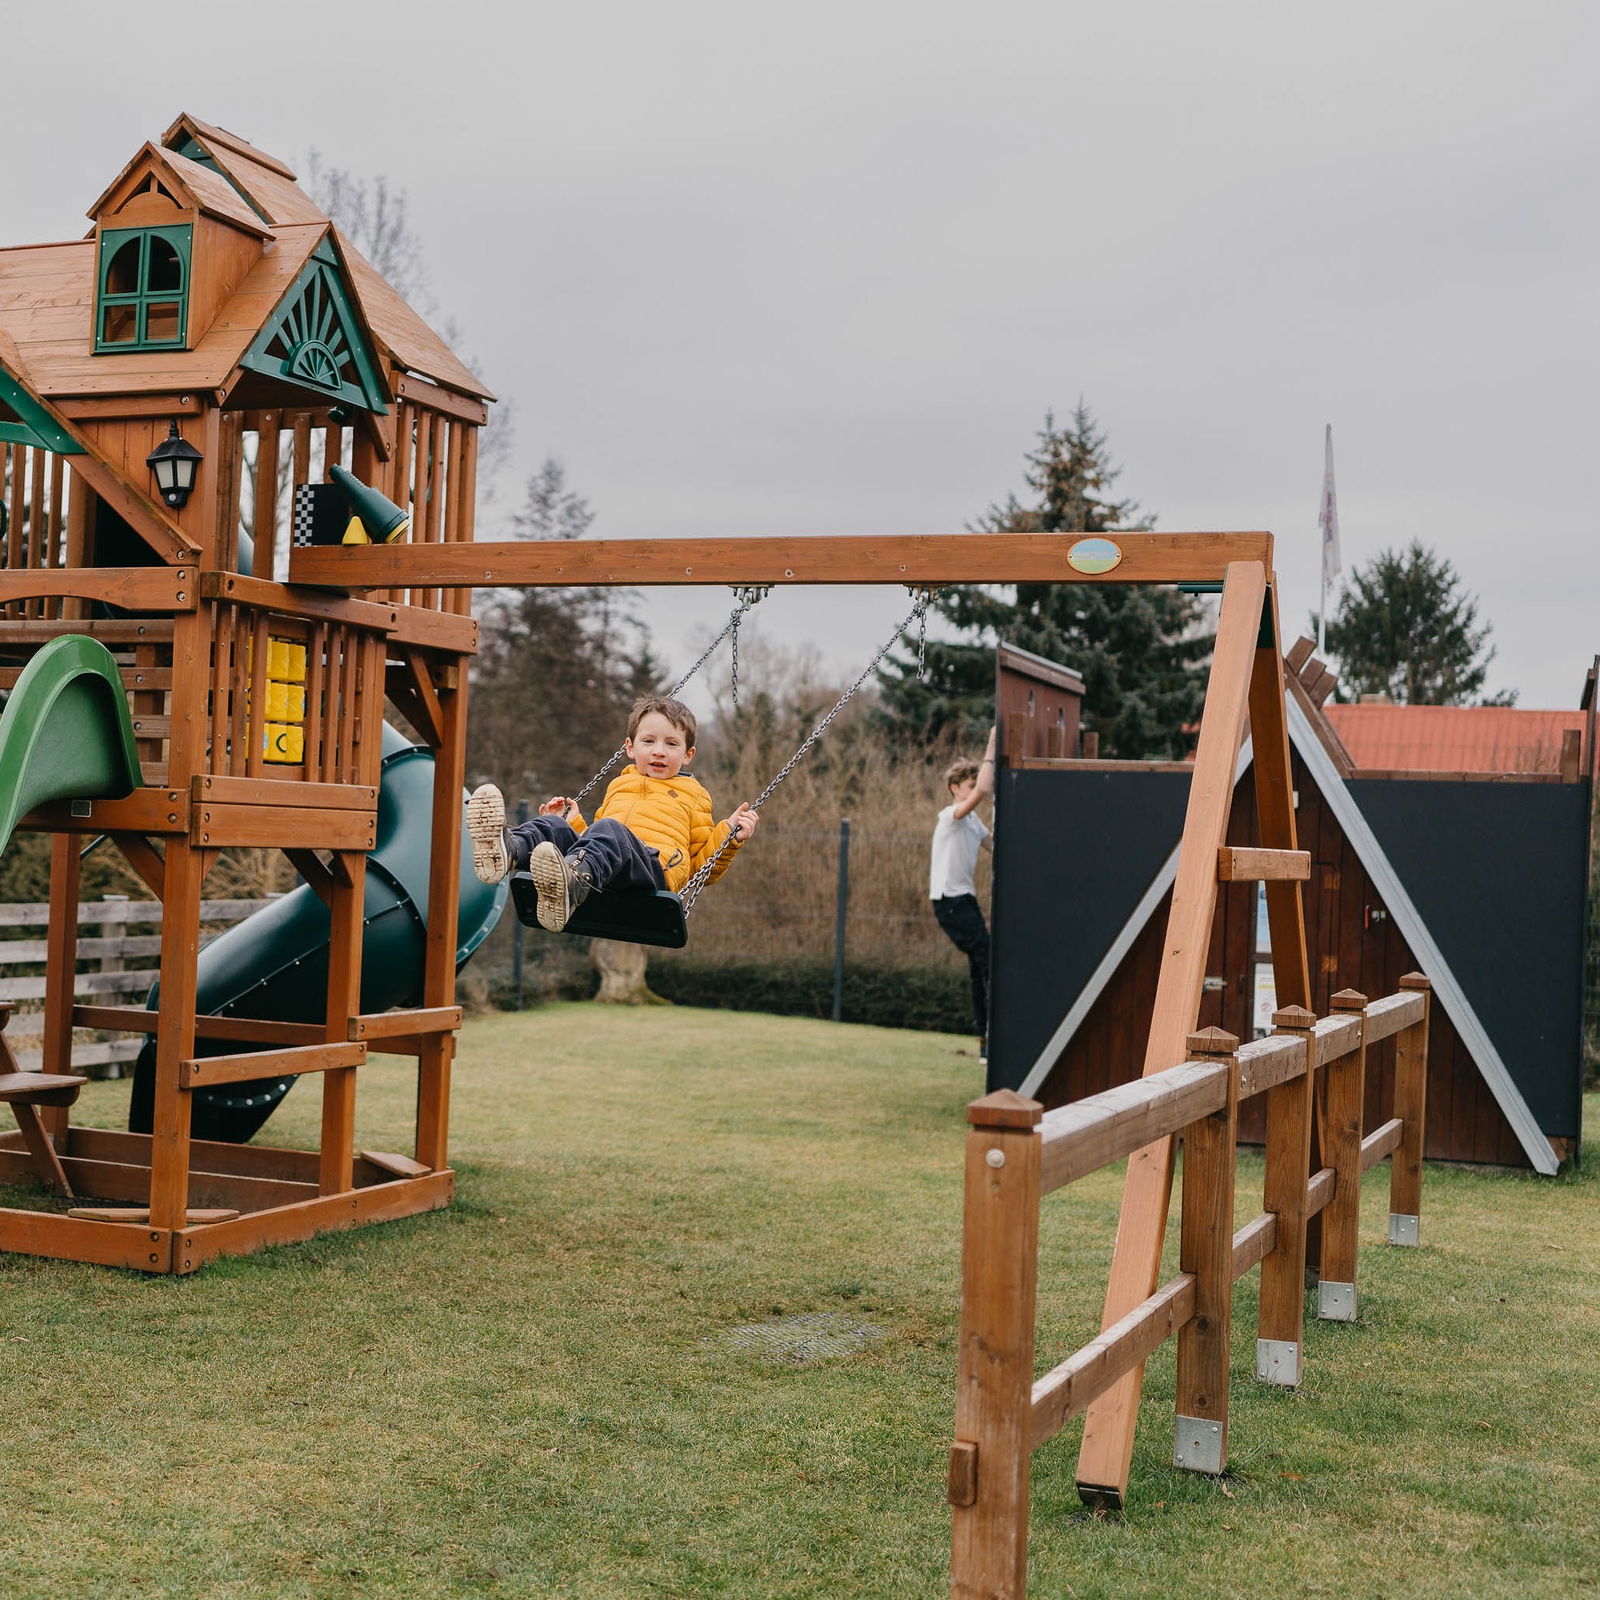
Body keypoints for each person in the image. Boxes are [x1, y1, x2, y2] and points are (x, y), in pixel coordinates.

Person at [467, 694, 758, 931]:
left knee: (610, 829)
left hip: (654, 871)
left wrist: (729, 837)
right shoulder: (620, 784)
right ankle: (508, 848)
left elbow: (702, 866)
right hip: (607, 871)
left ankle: (570, 882)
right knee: (555, 826)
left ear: (687, 755)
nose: (659, 751)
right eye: (648, 741)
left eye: (671, 744)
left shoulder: (694, 796)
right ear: (630, 747)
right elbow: (597, 846)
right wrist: (573, 823)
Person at [930, 727, 996, 1057]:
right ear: (955, 788)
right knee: (988, 959)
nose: (973, 790)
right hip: (949, 902)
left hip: (966, 900)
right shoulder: (950, 817)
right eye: (967, 786)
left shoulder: (973, 824)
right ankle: (991, 1035)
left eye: (972, 785)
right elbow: (982, 789)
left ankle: (985, 1042)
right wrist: (992, 744)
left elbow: (995, 846)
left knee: (979, 966)